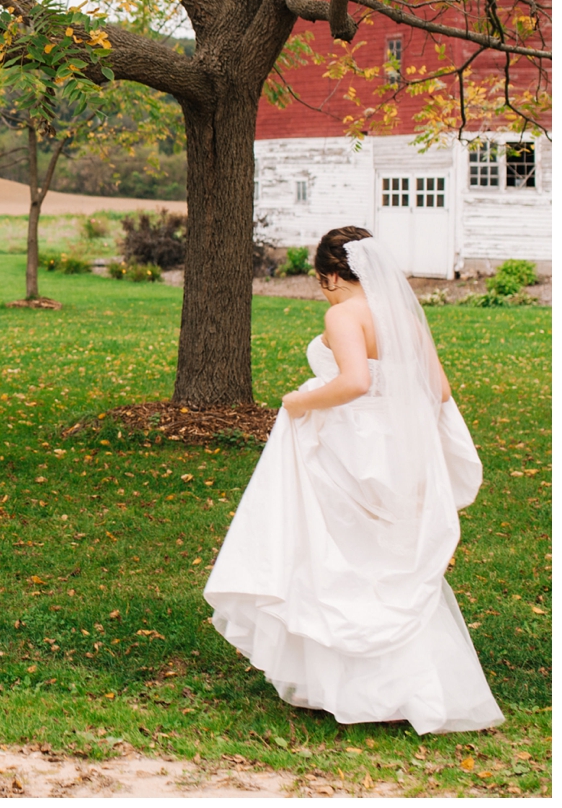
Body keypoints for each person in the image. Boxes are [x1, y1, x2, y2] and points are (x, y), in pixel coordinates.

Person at [204, 225, 503, 735]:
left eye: (321, 281)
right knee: (387, 565)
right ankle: (411, 691)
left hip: (349, 449)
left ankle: (344, 688)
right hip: (397, 451)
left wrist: (295, 402)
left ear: (331, 276)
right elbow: (441, 388)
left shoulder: (343, 314)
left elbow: (354, 382)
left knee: (338, 560)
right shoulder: (405, 317)